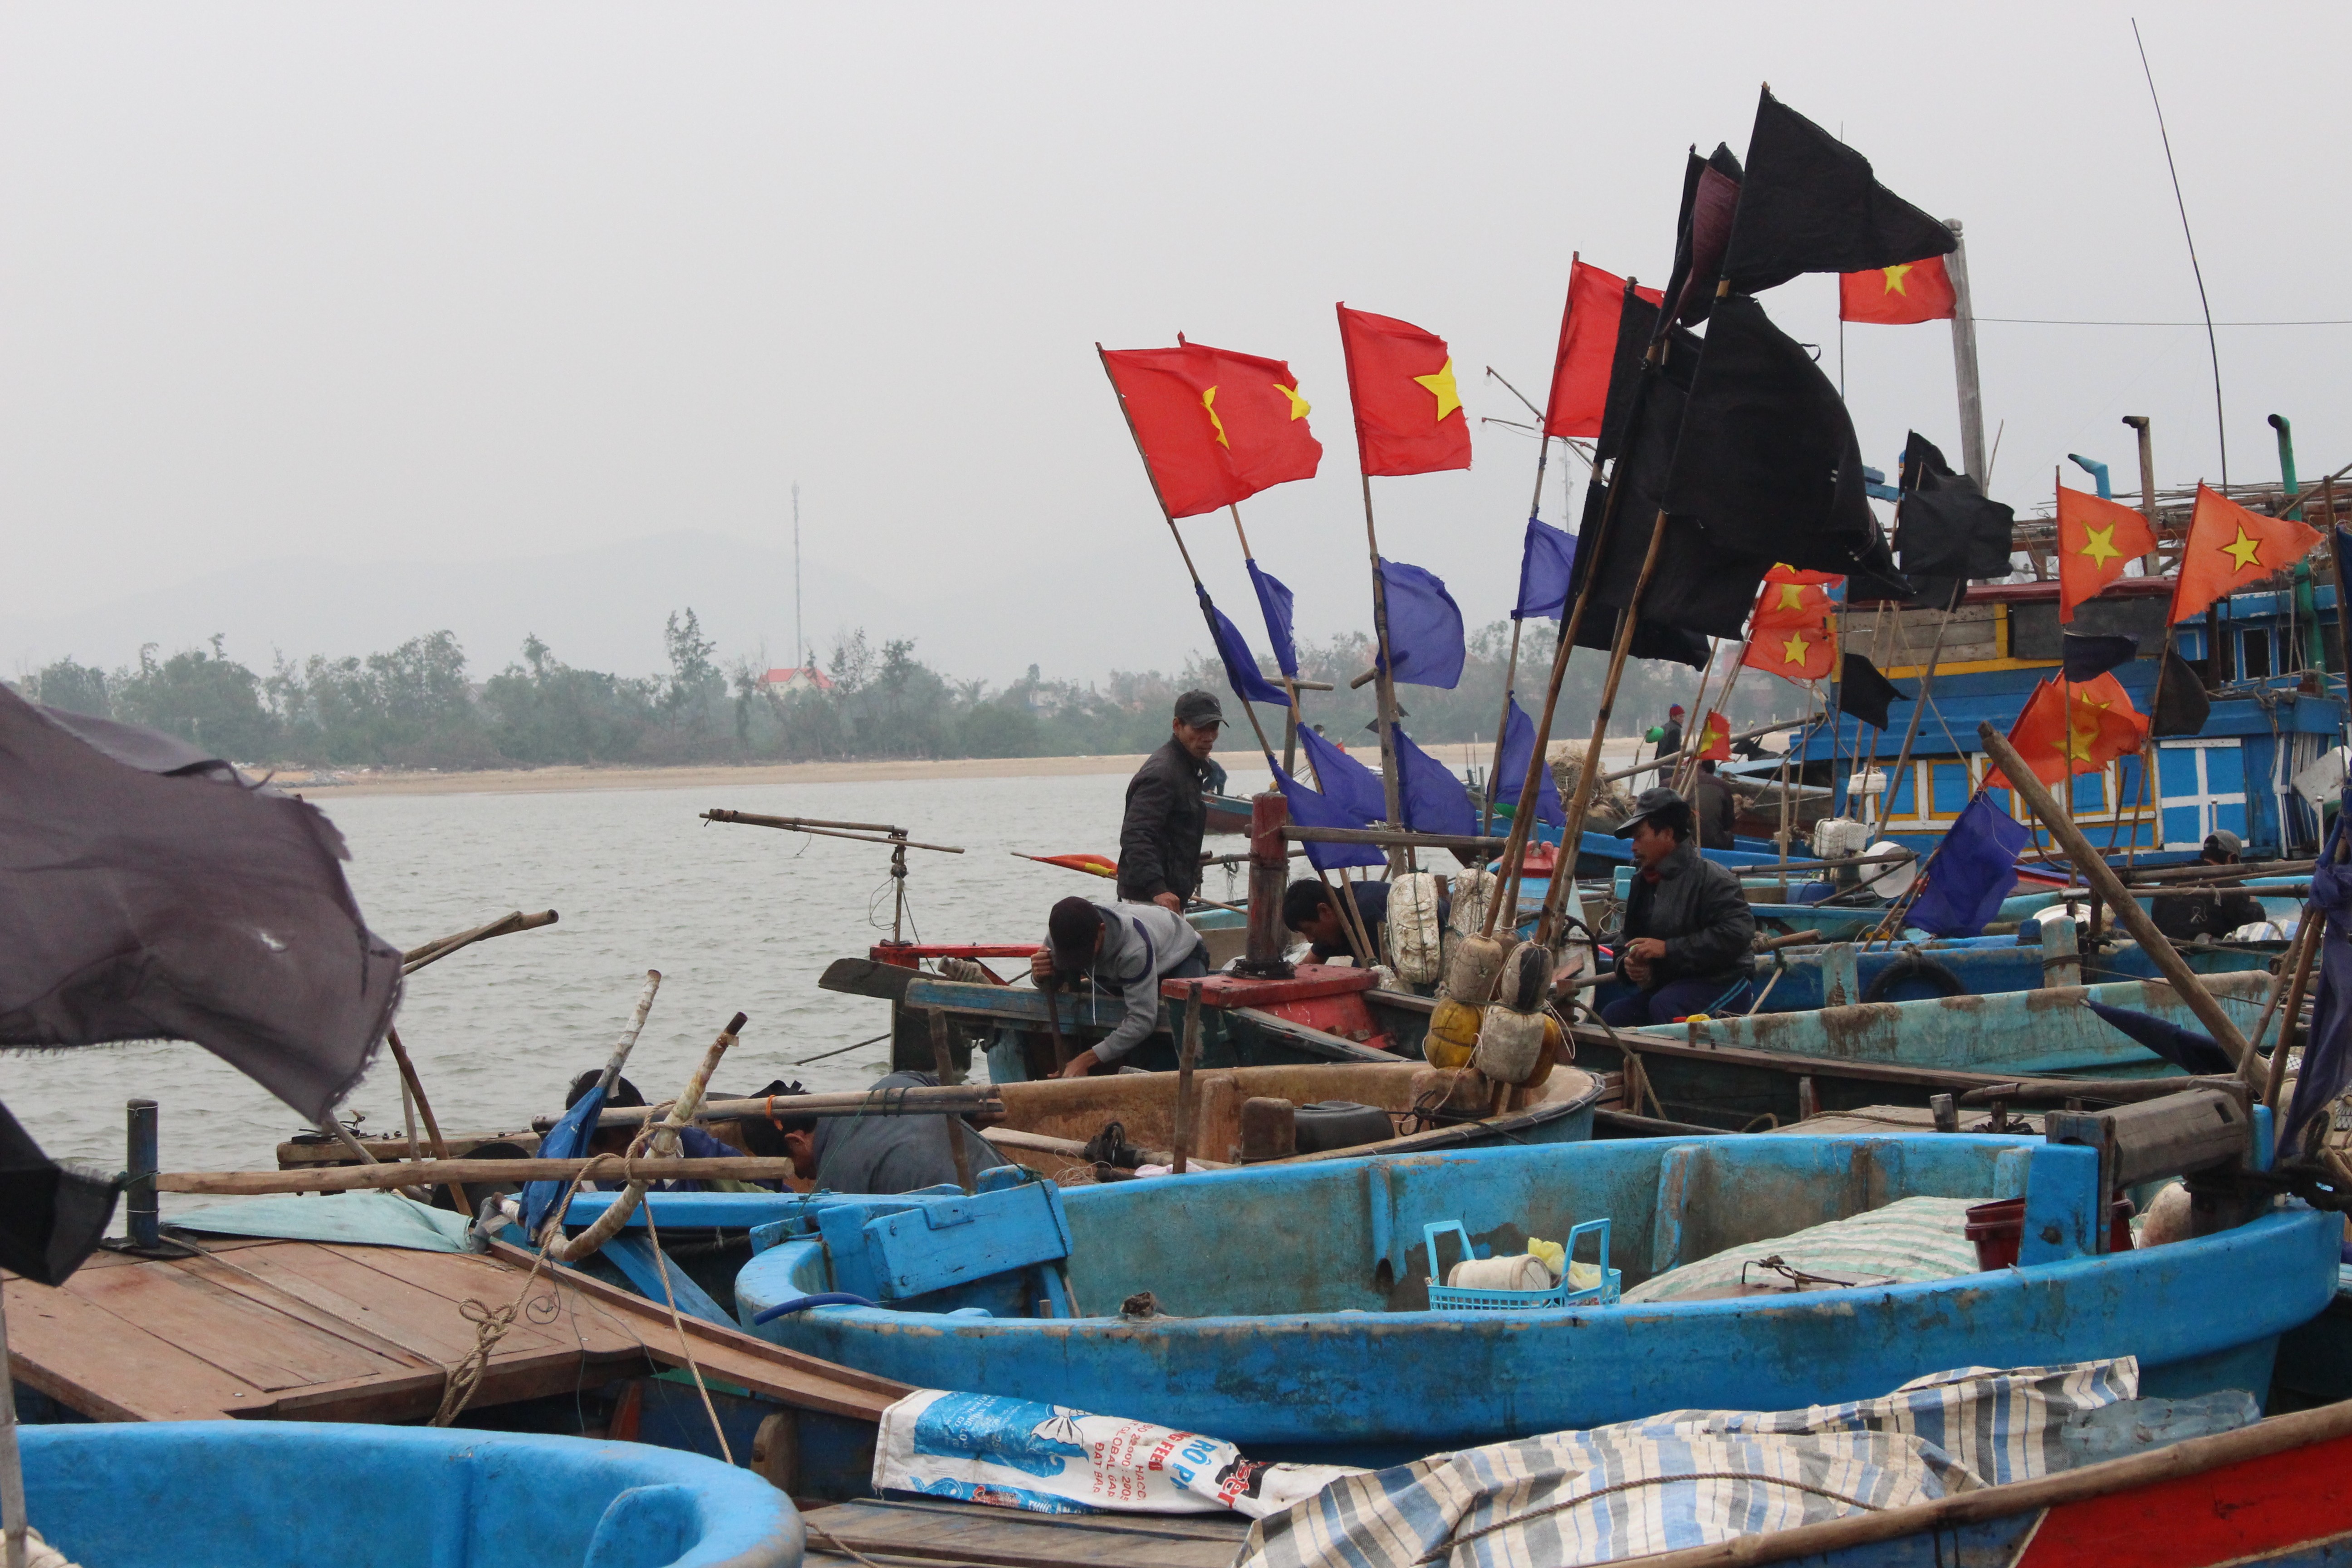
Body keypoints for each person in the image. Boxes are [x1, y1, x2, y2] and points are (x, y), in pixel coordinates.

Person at [1601, 787, 1756, 1026]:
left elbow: (1737, 936)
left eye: (1640, 837)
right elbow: (1627, 939)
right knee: (1614, 1016)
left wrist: (1668, 950)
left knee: (1665, 1005)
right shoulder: (1642, 883)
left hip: (1723, 983)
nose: (1633, 847)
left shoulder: (1714, 880)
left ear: (1667, 834)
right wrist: (1629, 964)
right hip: (1671, 985)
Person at [1028, 894, 1207, 1076]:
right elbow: (1050, 983)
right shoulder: (1060, 934)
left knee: (1188, 1015)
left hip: (1181, 952)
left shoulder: (1134, 949)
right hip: (1124, 967)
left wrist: (1084, 1060)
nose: (1078, 962)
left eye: (1083, 954)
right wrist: (1039, 976)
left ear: (1102, 931)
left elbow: (1143, 1020)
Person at [766, 1071, 1009, 1194]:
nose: (805, 1178)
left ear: (796, 1141)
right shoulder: (899, 1081)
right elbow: (995, 1111)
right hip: (1015, 1190)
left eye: (795, 1168)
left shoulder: (833, 1185)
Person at [1118, 691, 1222, 911]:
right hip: (1149, 901)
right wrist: (1157, 889)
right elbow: (1135, 834)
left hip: (1171, 897)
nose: (1208, 737)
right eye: (1199, 728)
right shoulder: (1163, 774)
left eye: (1213, 728)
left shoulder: (1190, 768)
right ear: (1177, 726)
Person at [2151, 830, 2267, 943]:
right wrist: (2253, 902)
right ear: (2231, 858)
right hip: (2208, 954)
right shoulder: (2232, 888)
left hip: (2167, 950)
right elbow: (2255, 926)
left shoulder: (2169, 881)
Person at [1282, 877, 1389, 964]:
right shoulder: (1331, 931)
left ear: (1325, 911)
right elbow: (1307, 968)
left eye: (1309, 930)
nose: (1310, 940)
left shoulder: (1366, 916)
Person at [1691, 759, 1738, 851]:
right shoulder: (1721, 785)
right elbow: (1729, 823)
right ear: (1712, 771)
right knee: (1729, 837)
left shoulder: (1668, 782)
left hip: (1675, 842)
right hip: (1711, 844)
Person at [1651, 704, 1685, 787]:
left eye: (1683, 717)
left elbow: (1660, 747)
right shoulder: (1676, 729)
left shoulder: (1663, 728)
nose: (1682, 720)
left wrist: (1656, 760)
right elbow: (1676, 748)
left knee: (1663, 784)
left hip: (1662, 762)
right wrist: (1681, 760)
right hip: (1672, 763)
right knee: (1672, 785)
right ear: (1673, 717)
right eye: (1680, 717)